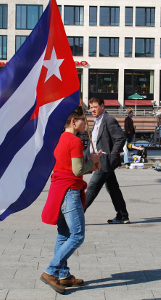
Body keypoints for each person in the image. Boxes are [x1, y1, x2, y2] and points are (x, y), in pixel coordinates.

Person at [40, 106, 101, 294]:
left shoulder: (60, 138)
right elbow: (77, 171)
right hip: (70, 191)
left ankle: (64, 275)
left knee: (64, 234)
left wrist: (90, 163)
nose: (86, 122)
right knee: (77, 235)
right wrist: (93, 161)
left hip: (59, 190)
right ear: (73, 122)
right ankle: (51, 271)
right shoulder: (74, 141)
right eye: (83, 118)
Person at [84, 97, 129, 224]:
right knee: (113, 188)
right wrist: (85, 157)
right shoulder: (97, 121)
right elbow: (94, 142)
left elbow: (120, 138)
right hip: (99, 160)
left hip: (105, 161)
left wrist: (112, 157)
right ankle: (123, 215)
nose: (92, 110)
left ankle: (77, 216)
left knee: (92, 187)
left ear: (102, 106)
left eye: (95, 107)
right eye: (91, 107)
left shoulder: (109, 120)